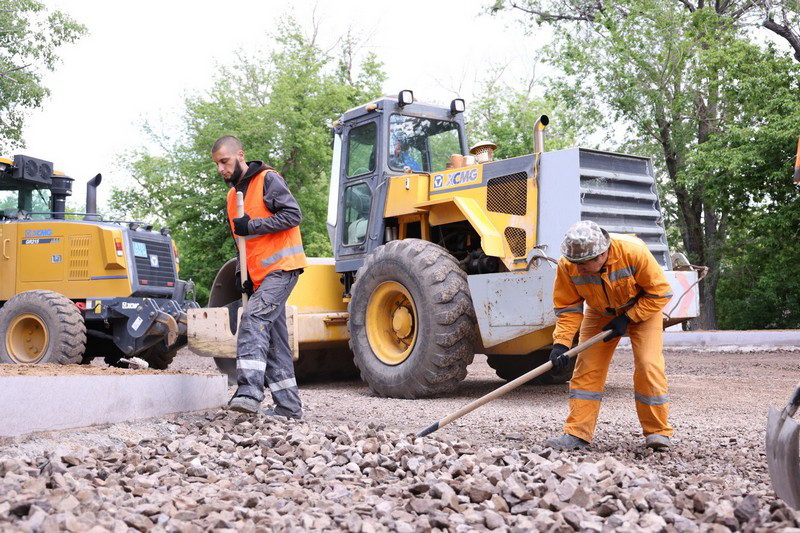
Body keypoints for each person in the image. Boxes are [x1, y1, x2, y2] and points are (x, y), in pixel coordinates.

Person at [545, 220, 674, 451]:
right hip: (600, 312)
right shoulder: (568, 264)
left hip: (644, 308)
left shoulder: (633, 251)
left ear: (602, 254)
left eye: (584, 264)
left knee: (648, 365)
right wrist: (561, 344)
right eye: (575, 263)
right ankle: (577, 434)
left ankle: (658, 433)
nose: (579, 269)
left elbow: (660, 292)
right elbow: (568, 308)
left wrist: (629, 317)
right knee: (586, 369)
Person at [211, 135, 307, 419]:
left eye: (225, 162)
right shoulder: (233, 198)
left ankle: (249, 393)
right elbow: (244, 246)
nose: (221, 169)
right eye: (217, 164)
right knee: (276, 340)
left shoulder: (267, 179)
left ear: (240, 155)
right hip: (259, 277)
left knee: (253, 319)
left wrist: (252, 225)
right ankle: (289, 408)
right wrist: (244, 276)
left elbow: (293, 215)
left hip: (283, 268)